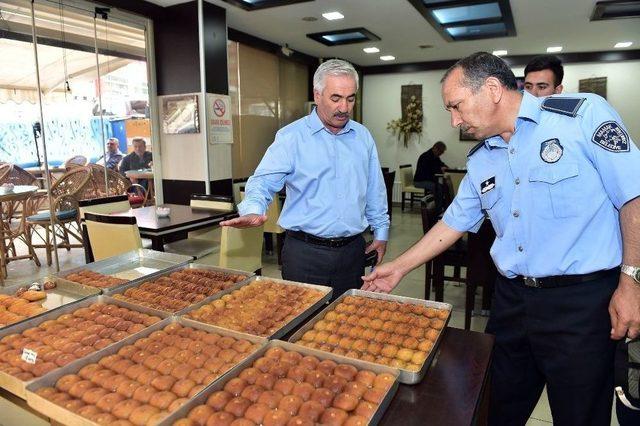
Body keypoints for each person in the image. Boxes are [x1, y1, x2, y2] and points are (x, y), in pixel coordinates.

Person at [362, 52, 640, 425]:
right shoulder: (482, 159)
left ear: (492, 89)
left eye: (456, 106)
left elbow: (633, 195)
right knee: (492, 408)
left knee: (580, 415)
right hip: (511, 302)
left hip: (581, 305)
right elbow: (452, 224)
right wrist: (397, 268)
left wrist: (631, 282)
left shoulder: (582, 116)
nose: (454, 120)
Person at [221, 59, 389, 300]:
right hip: (305, 254)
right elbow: (262, 182)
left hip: (353, 252)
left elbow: (375, 190)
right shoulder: (291, 138)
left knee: (344, 324)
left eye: (350, 99)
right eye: (336, 98)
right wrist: (253, 208)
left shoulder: (362, 137)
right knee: (300, 325)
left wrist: (381, 234)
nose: (344, 107)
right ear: (317, 95)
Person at [413, 141, 448, 209]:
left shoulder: (435, 156)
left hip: (427, 180)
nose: (440, 154)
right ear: (435, 148)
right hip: (419, 181)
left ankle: (442, 206)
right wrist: (440, 170)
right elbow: (427, 173)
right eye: (440, 152)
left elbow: (440, 164)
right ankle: (438, 208)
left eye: (441, 152)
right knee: (437, 187)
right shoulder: (425, 157)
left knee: (444, 185)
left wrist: (446, 167)